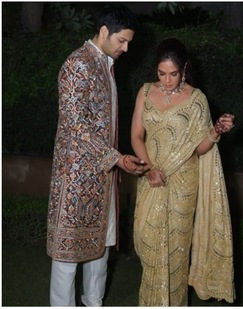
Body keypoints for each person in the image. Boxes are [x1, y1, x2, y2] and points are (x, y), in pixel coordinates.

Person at [47, 5, 142, 307]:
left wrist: (115, 161)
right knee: (68, 254)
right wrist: (116, 157)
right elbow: (76, 124)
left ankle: (94, 303)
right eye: (122, 41)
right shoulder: (78, 64)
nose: (126, 48)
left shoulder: (105, 64)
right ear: (104, 32)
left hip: (102, 176)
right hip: (75, 178)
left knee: (101, 247)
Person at [130, 38, 235, 306]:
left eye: (173, 74)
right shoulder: (144, 92)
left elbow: (200, 149)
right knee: (147, 244)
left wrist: (215, 132)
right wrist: (150, 169)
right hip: (152, 179)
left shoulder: (197, 100)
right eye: (161, 73)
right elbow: (136, 137)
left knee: (175, 254)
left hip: (183, 184)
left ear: (184, 68)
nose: (167, 80)